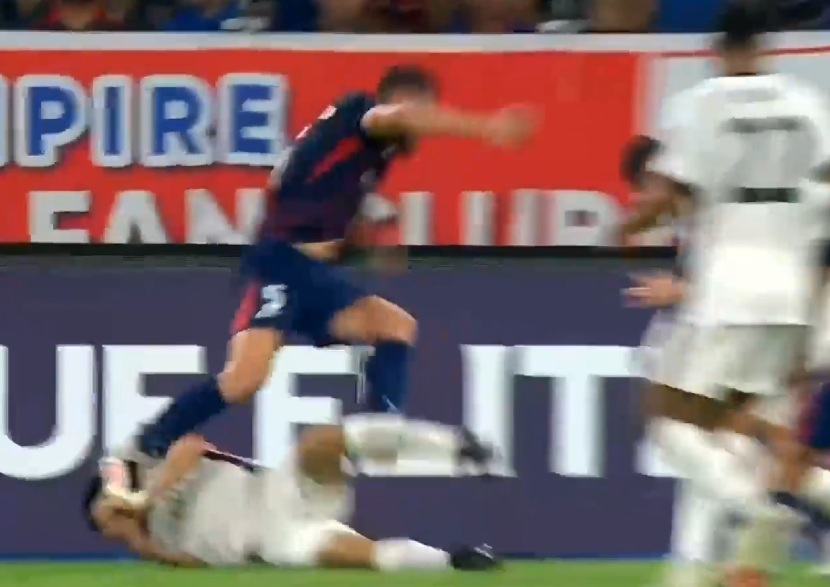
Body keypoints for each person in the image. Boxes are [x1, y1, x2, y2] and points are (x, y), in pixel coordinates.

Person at [137, 64, 538, 458]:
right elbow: (401, 116)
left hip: (314, 276)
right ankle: (154, 438)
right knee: (244, 378)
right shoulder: (359, 113)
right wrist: (487, 127)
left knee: (394, 326)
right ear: (402, 99)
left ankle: (380, 431)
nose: (422, 124)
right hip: (281, 265)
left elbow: (321, 207)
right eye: (423, 107)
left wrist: (364, 247)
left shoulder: (364, 154)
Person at [619, 1, 830, 581]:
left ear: (718, 51)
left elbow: (669, 193)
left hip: (729, 290)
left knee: (667, 420)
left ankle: (756, 508)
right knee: (736, 439)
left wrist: (629, 226)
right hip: (795, 295)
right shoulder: (809, 104)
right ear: (765, 48)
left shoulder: (702, 104)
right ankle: (690, 570)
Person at [83, 415, 501, 570]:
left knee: (321, 441)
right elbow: (199, 563)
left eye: (111, 508)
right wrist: (141, 541)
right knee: (355, 556)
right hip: (270, 540)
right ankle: (456, 562)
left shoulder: (155, 468)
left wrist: (146, 497)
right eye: (108, 524)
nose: (116, 522)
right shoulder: (157, 546)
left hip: (278, 491)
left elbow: (192, 446)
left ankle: (456, 446)